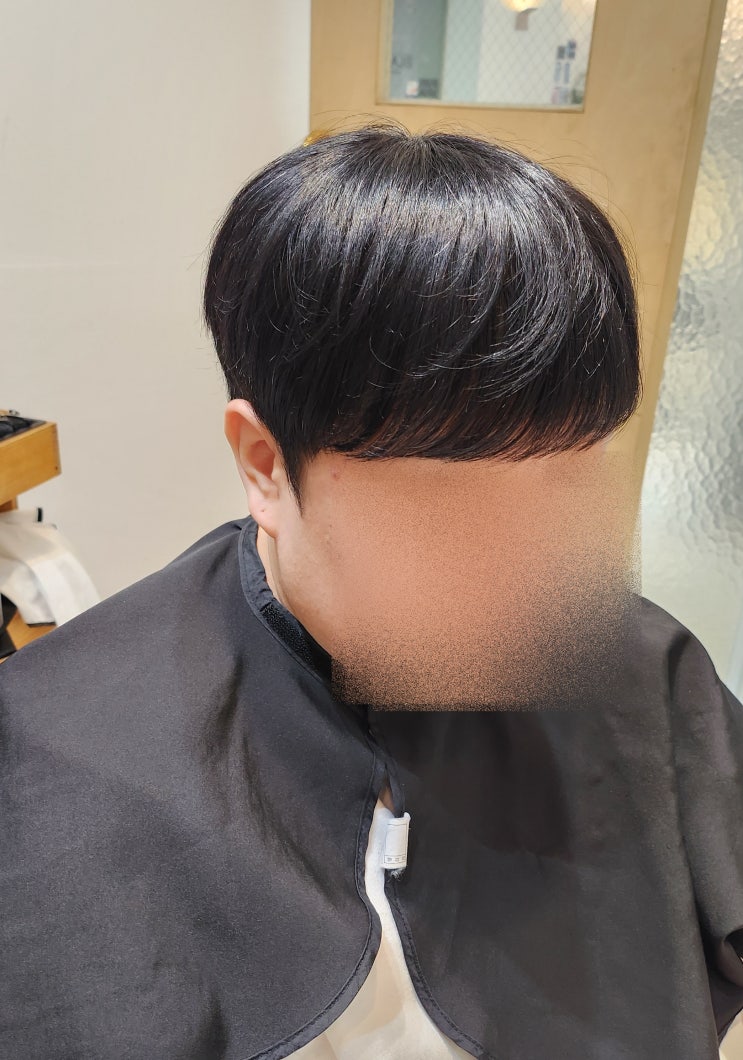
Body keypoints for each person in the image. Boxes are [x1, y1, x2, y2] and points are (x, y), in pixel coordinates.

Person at [1, 122, 742, 1060]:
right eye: (451, 503)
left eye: (569, 482)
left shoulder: (638, 663)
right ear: (264, 464)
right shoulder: (50, 750)